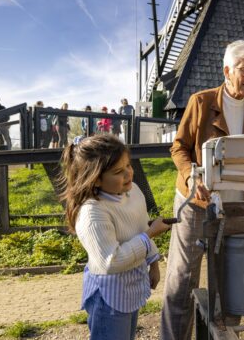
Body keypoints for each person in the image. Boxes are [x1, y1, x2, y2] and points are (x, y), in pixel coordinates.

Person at [161, 40, 244, 340]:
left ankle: (223, 336)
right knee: (182, 280)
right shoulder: (201, 102)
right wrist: (190, 177)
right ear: (226, 70)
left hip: (237, 205)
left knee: (230, 280)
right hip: (197, 202)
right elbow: (179, 147)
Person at [59, 134, 171, 340]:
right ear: (95, 178)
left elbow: (141, 226)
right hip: (108, 297)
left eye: (128, 165)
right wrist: (150, 235)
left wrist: (153, 262)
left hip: (131, 286)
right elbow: (111, 262)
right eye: (118, 171)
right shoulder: (93, 212)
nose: (129, 174)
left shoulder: (133, 191)